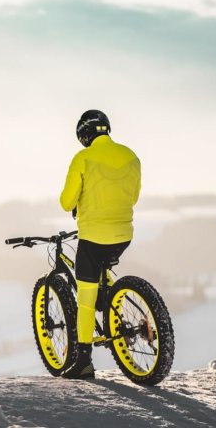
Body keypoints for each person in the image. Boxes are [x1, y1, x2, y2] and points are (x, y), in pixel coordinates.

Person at [58, 109, 141, 379]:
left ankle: (83, 361)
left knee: (85, 297)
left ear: (83, 134)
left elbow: (66, 202)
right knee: (101, 275)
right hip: (123, 235)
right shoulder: (131, 156)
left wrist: (80, 205)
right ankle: (110, 301)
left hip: (92, 237)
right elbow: (133, 196)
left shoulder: (82, 158)